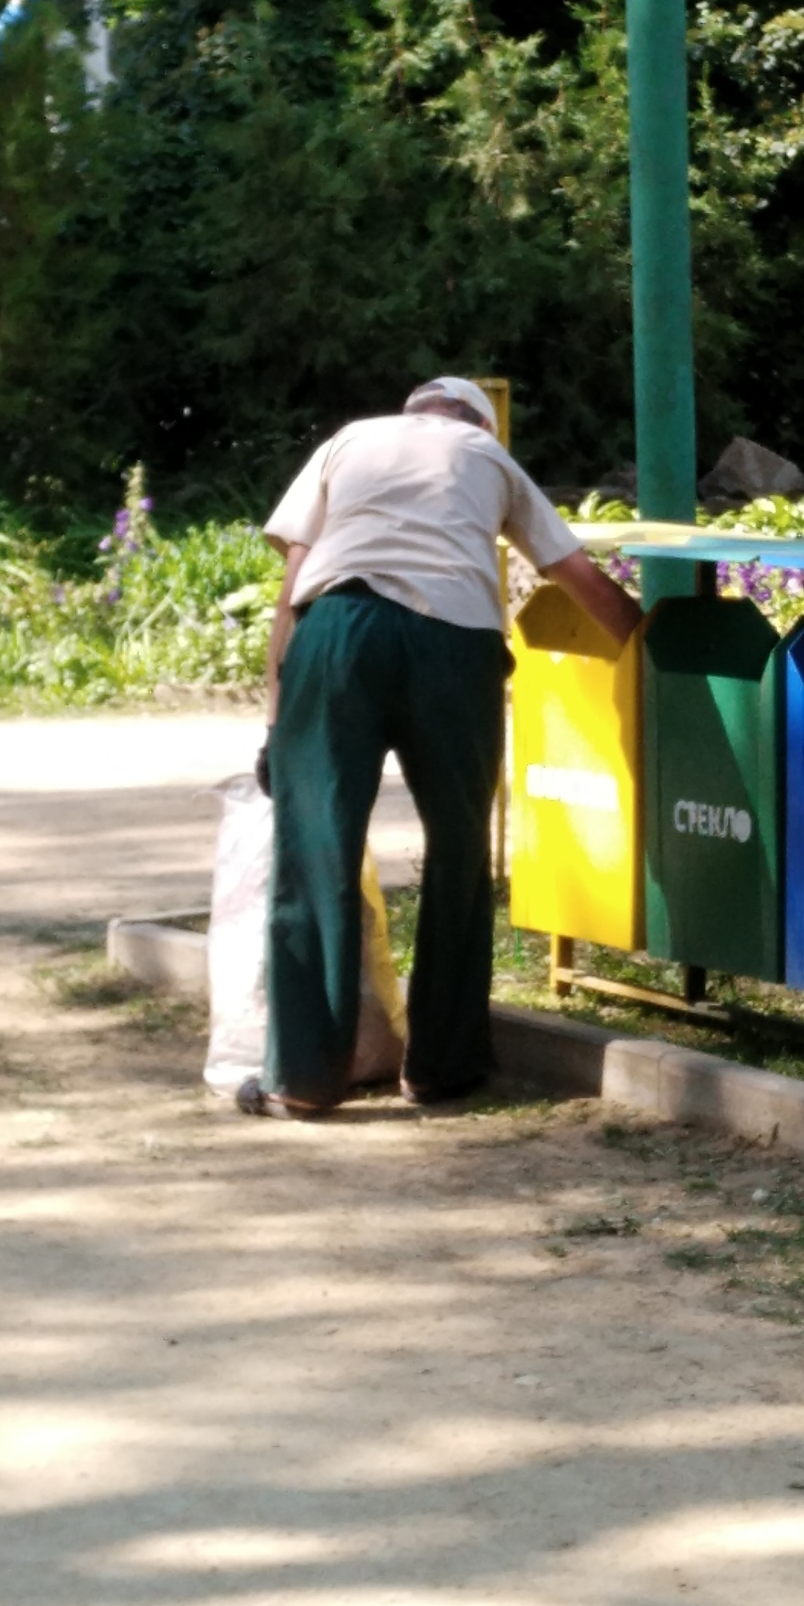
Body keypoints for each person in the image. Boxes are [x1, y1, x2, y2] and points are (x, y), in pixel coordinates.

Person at [245, 376, 642, 1118]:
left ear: (413, 411)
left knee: (315, 848)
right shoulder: (488, 456)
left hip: (338, 631)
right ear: (479, 423)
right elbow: (575, 574)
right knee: (460, 851)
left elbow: (295, 578)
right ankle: (440, 1067)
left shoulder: (349, 440)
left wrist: (275, 719)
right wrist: (653, 651)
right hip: (454, 646)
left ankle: (302, 1078)